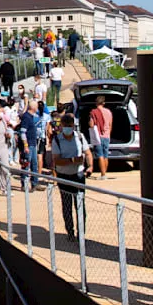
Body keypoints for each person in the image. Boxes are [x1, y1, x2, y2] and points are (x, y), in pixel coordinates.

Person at [48, 112, 93, 242]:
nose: (68, 127)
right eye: (66, 125)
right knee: (66, 205)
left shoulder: (80, 137)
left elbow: (88, 153)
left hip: (78, 175)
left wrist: (90, 166)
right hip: (64, 176)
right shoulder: (57, 140)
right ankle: (70, 231)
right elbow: (57, 160)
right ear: (61, 126)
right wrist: (73, 160)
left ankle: (81, 233)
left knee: (80, 205)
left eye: (70, 125)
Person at [88, 95, 113, 180]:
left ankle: (103, 175)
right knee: (105, 155)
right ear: (104, 103)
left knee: (100, 155)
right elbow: (110, 125)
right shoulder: (108, 112)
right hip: (107, 136)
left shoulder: (93, 112)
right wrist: (108, 133)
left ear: (96, 103)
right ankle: (104, 173)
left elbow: (91, 124)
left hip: (98, 136)